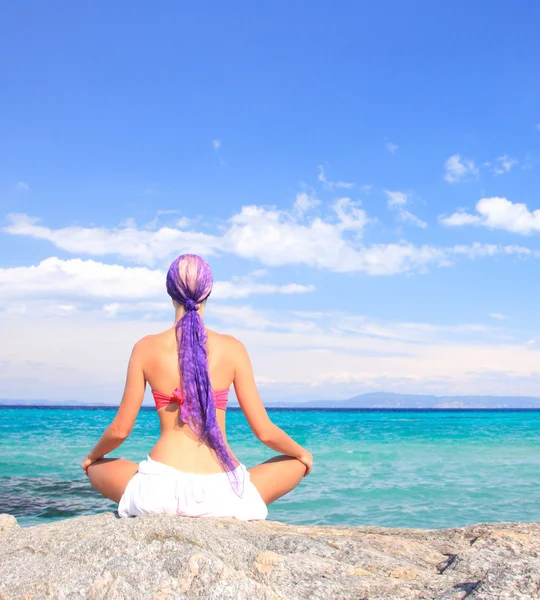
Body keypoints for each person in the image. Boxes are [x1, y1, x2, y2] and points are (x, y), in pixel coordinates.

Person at [83, 253, 312, 520]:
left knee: (97, 468)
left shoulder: (145, 347)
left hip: (158, 492)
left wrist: (91, 457)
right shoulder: (233, 348)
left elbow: (120, 431)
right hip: (225, 495)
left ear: (170, 294)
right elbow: (265, 432)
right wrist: (302, 453)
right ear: (208, 293)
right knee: (295, 464)